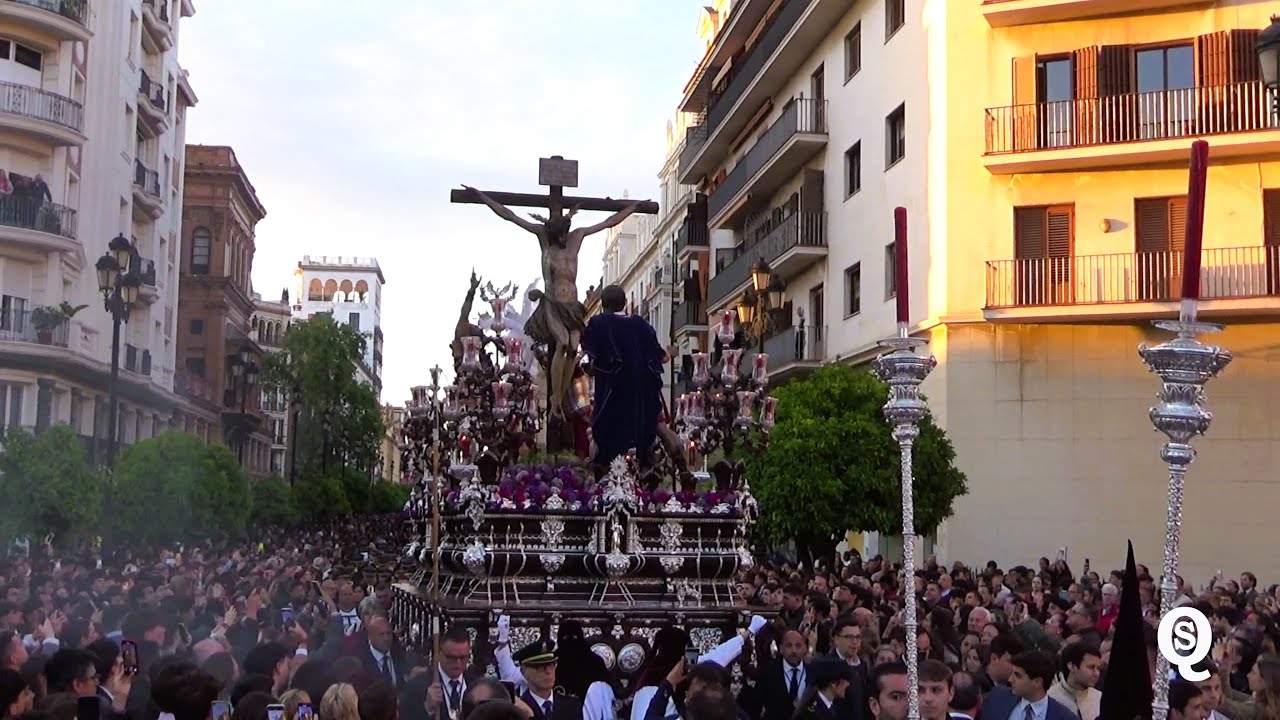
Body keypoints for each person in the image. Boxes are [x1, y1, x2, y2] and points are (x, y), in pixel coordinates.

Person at [580, 284, 669, 470]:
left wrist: (589, 368)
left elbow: (589, 359)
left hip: (612, 398)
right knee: (658, 428)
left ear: (603, 304)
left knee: (602, 442)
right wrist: (671, 353)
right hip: (640, 402)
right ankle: (677, 466)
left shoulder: (599, 322)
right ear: (625, 303)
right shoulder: (641, 324)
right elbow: (661, 357)